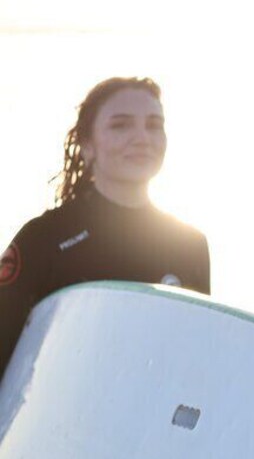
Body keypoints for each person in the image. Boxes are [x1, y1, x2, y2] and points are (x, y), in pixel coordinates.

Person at [0, 77, 210, 378]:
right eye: (120, 125)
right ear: (87, 146)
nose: (142, 138)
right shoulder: (44, 237)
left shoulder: (190, 245)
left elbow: (198, 358)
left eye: (154, 125)